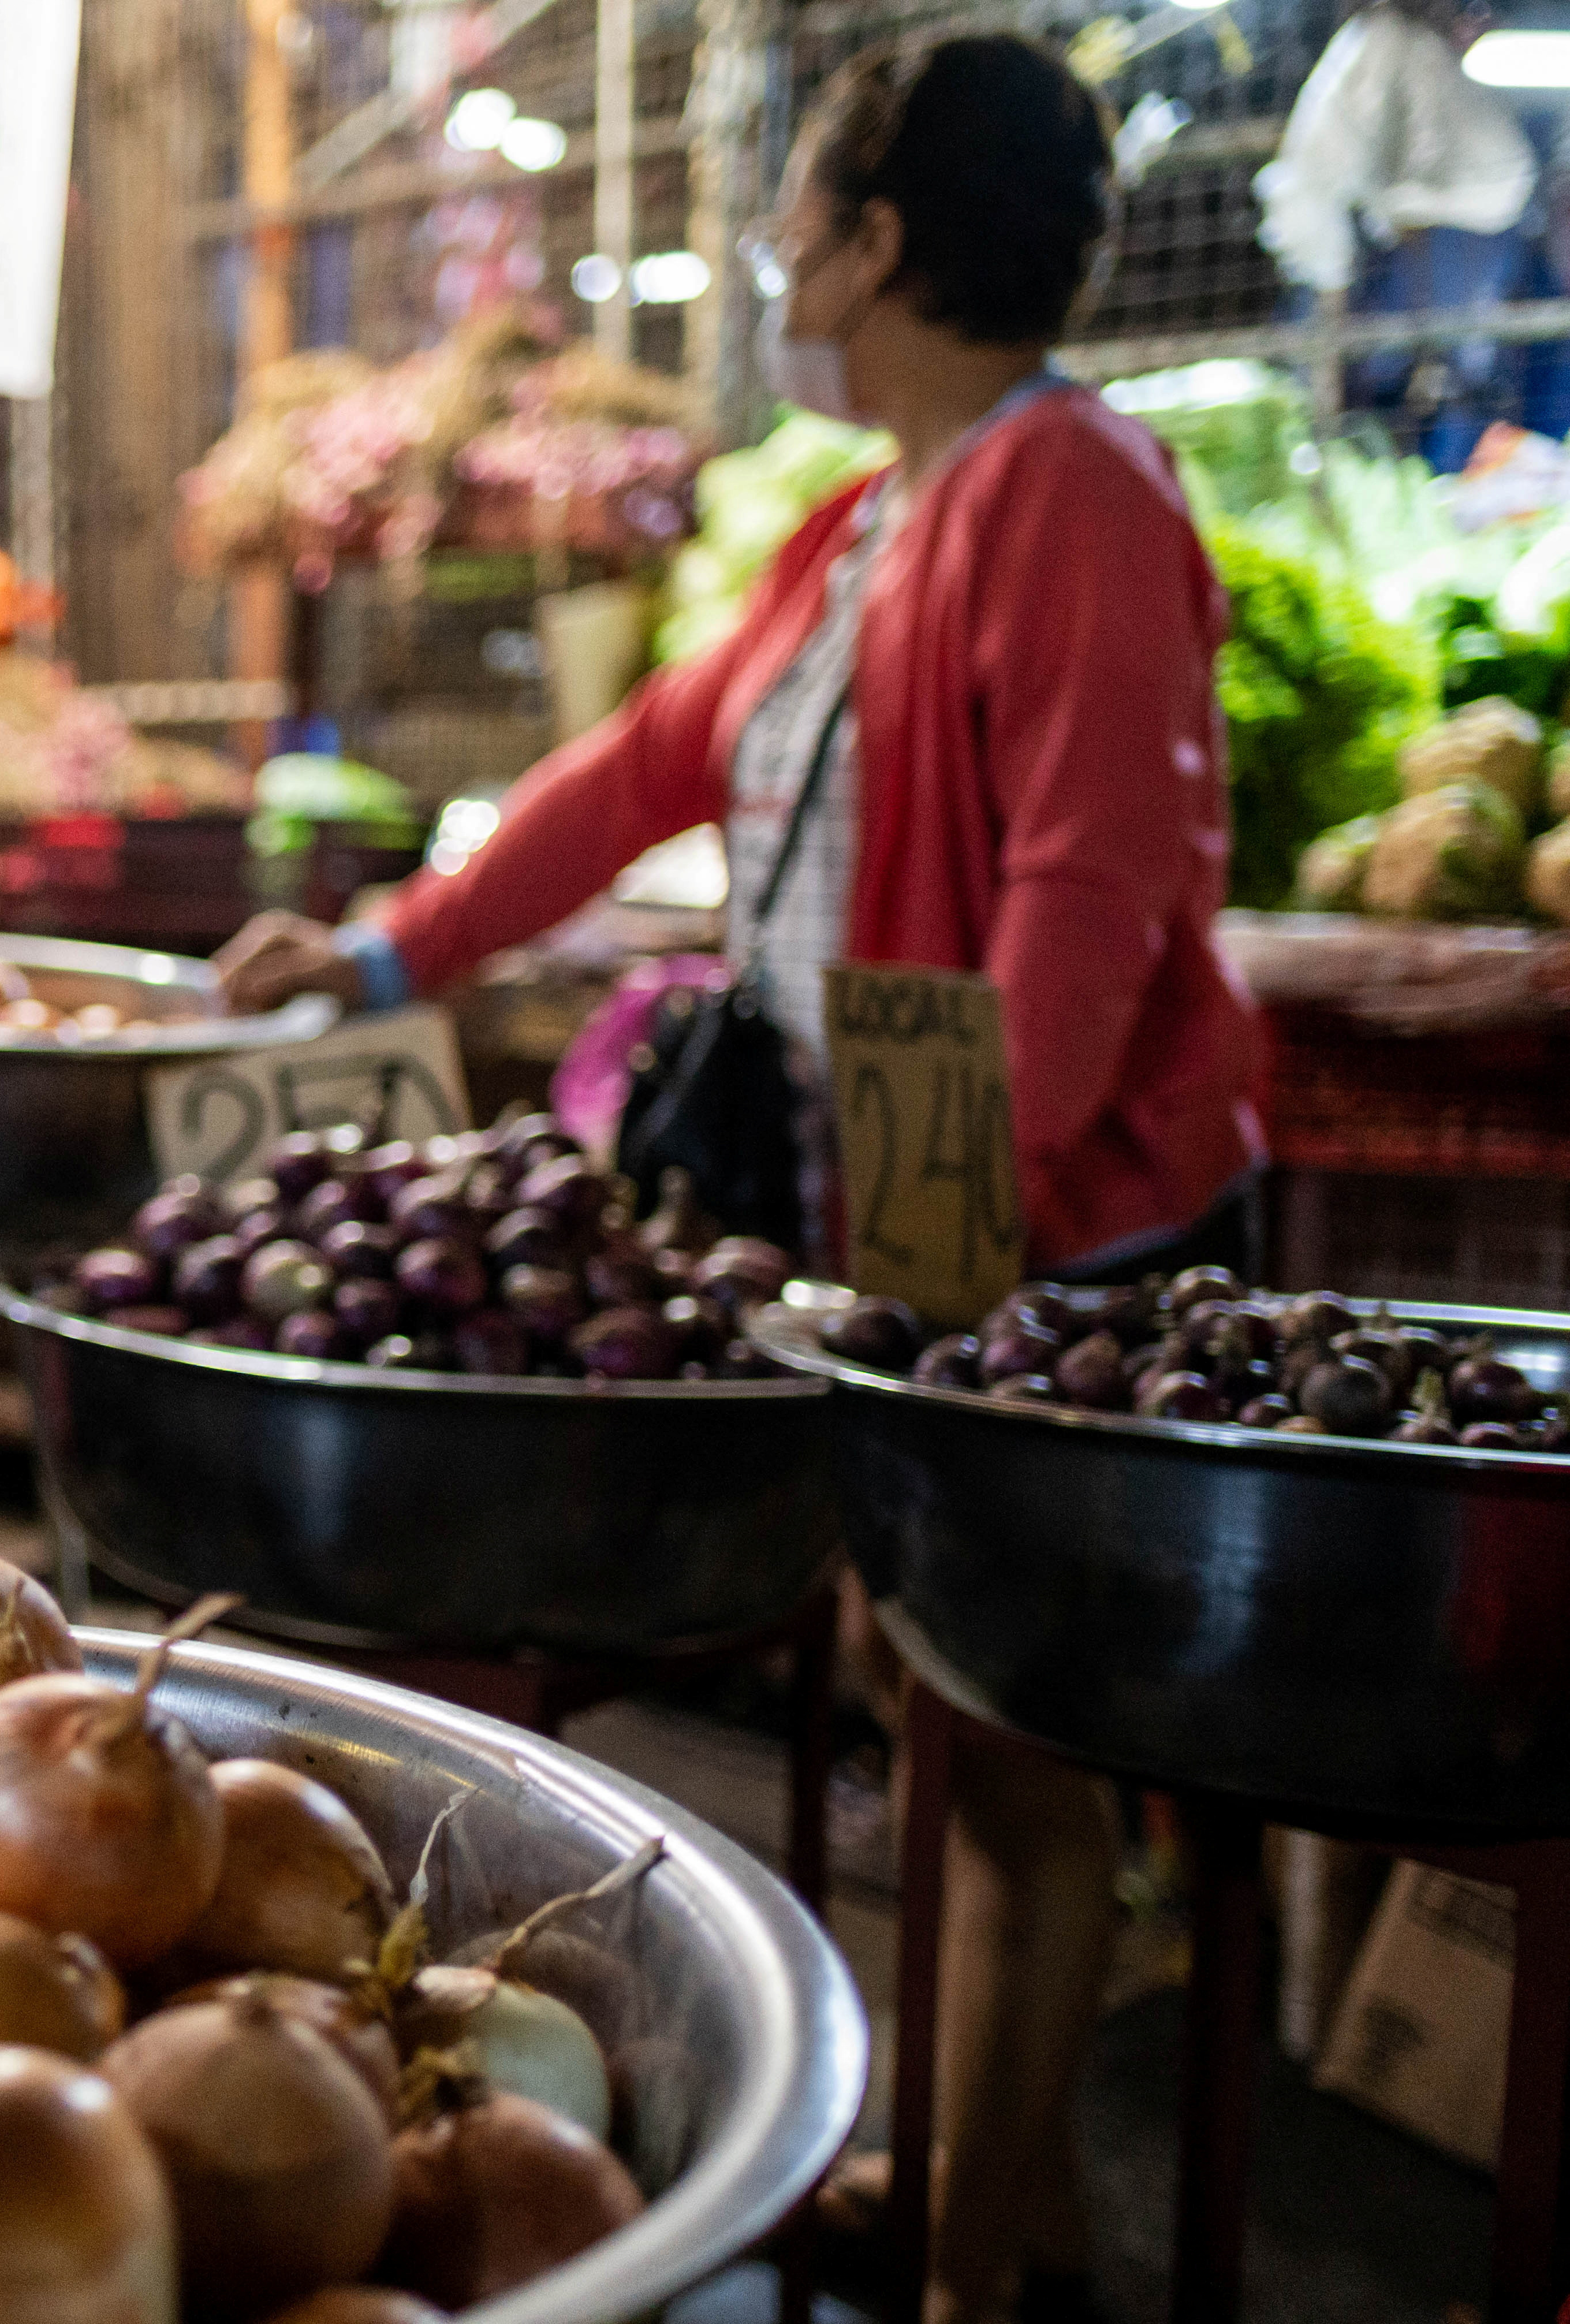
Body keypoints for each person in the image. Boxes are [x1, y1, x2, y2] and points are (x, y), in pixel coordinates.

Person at [218, 35, 1262, 2323]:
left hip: (1054, 1236)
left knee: (1016, 1750)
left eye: (797, 209)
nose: (776, 252)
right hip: (911, 1219)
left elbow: (1093, 890)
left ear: (885, 241)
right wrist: (393, 941)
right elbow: (639, 774)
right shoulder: (867, 517)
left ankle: (982, 2262)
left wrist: (945, 1245)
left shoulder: (1073, 491)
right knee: (938, 1713)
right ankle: (1009, 2196)